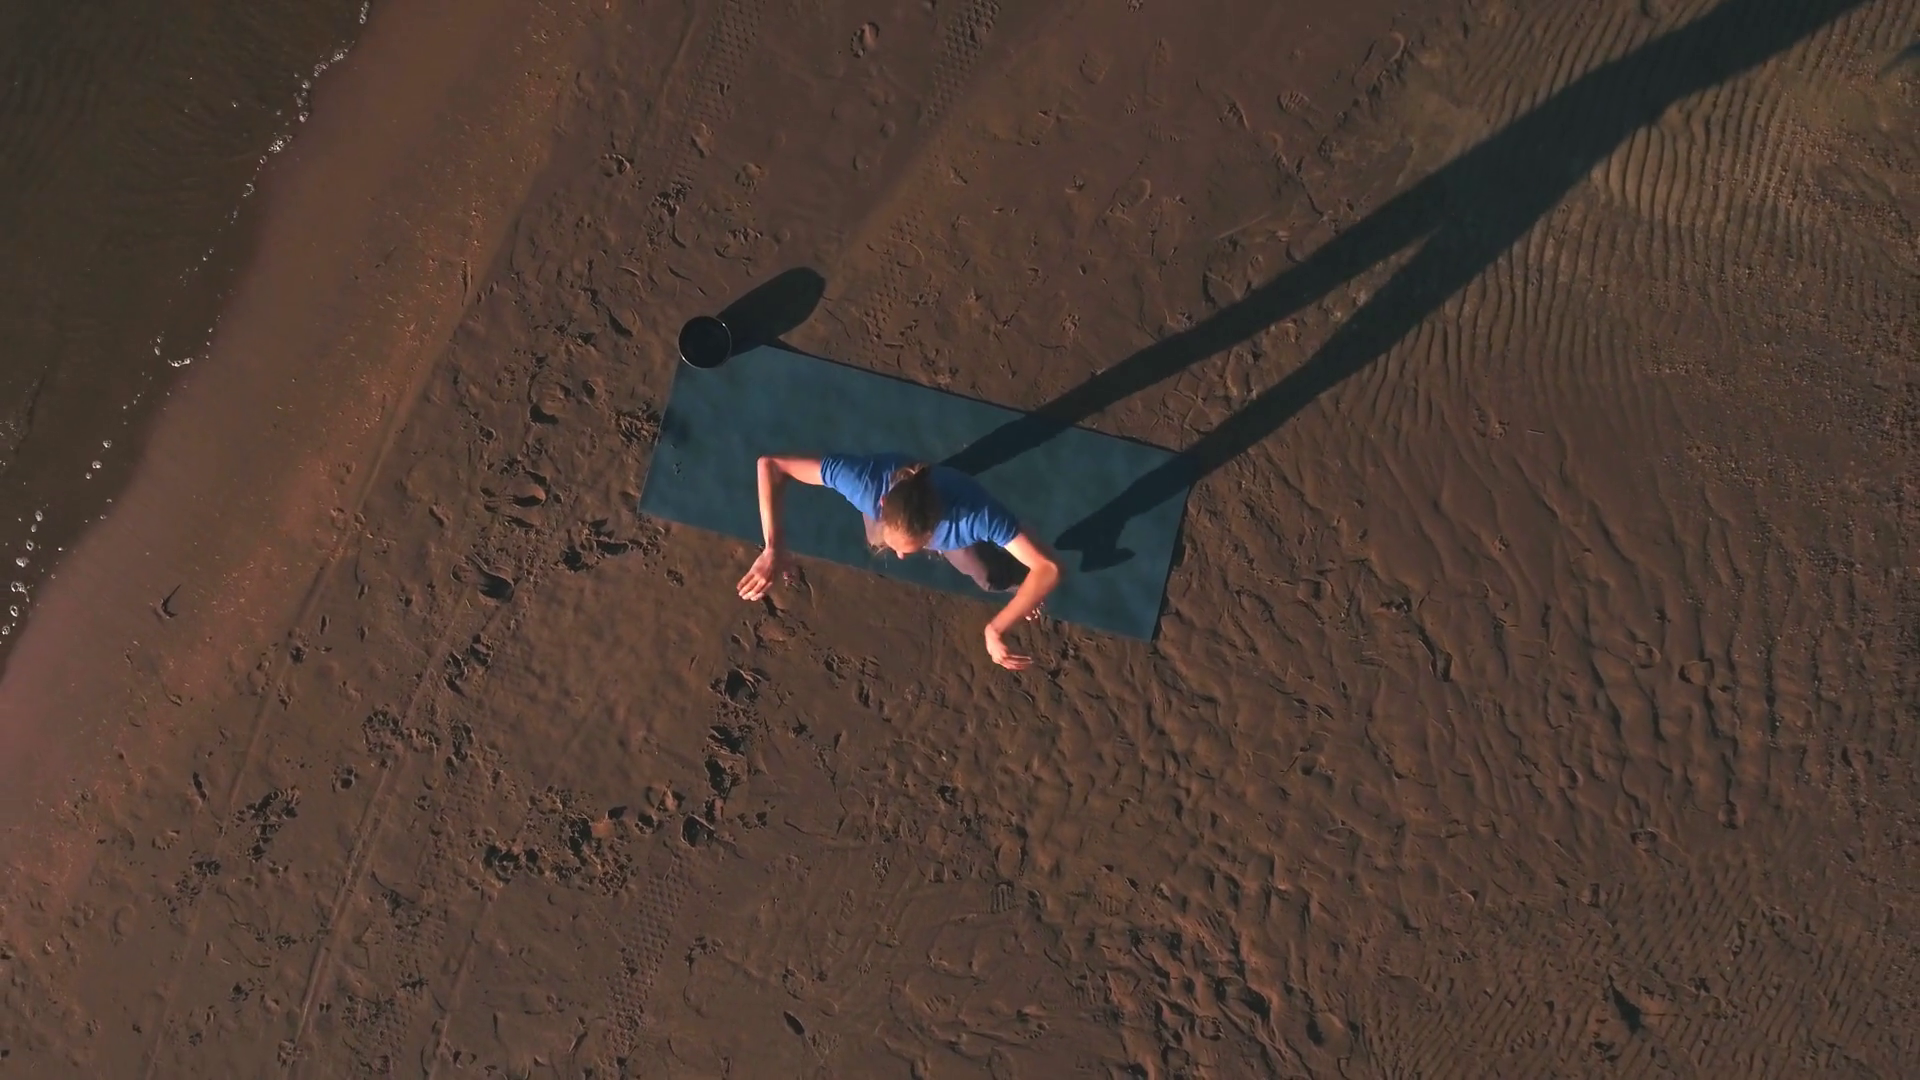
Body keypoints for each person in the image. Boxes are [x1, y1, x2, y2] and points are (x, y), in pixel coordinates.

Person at [735, 452, 1062, 669]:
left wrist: (997, 627)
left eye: (913, 548)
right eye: (898, 546)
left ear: (935, 529)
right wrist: (773, 547)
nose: (902, 556)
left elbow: (1047, 567)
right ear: (881, 503)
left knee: (989, 577)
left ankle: (1018, 572)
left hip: (956, 516)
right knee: (876, 539)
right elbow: (771, 465)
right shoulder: (862, 483)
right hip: (898, 494)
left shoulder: (974, 517)